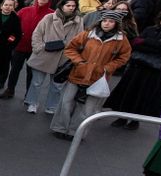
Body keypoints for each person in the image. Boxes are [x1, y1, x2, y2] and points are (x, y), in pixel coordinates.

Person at [50, 11, 132, 139]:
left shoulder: (121, 40)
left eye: (111, 21)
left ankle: (76, 132)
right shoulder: (88, 34)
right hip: (77, 73)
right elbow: (70, 48)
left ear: (116, 24)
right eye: (105, 21)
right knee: (66, 102)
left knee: (87, 109)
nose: (107, 23)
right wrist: (79, 61)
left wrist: (108, 67)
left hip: (98, 78)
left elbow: (124, 57)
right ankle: (60, 128)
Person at [106, 7, 161, 129]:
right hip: (137, 67)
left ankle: (135, 121)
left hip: (154, 71)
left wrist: (146, 42)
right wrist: (154, 47)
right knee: (128, 92)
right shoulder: (150, 29)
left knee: (143, 96)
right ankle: (121, 117)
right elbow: (135, 44)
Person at [25, 0, 82, 115]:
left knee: (57, 86)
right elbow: (37, 33)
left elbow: (79, 40)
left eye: (73, 6)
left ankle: (51, 107)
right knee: (36, 82)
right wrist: (38, 48)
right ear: (62, 6)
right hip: (44, 54)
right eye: (68, 5)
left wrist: (72, 55)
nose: (71, 8)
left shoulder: (78, 21)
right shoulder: (49, 17)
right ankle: (32, 103)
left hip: (63, 58)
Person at [1, 0, 54, 100]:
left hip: (36, 49)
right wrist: (11, 40)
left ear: (50, 0)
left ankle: (28, 95)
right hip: (19, 46)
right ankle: (10, 90)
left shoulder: (52, 15)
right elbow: (13, 26)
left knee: (31, 73)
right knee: (14, 69)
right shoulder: (25, 10)